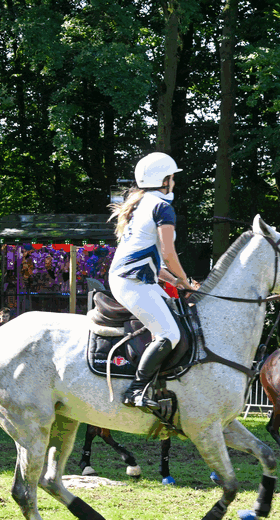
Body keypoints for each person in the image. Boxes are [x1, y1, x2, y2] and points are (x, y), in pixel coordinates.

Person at [108, 152, 199, 409]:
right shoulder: (162, 207)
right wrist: (183, 279)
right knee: (168, 333)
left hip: (139, 279)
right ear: (164, 180)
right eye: (172, 178)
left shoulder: (141, 204)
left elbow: (157, 264)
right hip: (132, 282)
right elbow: (169, 255)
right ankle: (135, 390)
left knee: (178, 321)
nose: (174, 183)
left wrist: (176, 281)